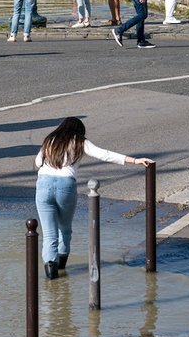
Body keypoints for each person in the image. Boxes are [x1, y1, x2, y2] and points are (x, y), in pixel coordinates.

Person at [34, 117, 152, 279]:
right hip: (65, 186)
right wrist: (135, 161)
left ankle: (51, 274)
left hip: (43, 184)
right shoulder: (80, 141)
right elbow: (105, 155)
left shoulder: (49, 140)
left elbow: (38, 161)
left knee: (49, 234)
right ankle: (61, 269)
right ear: (79, 131)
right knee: (65, 230)